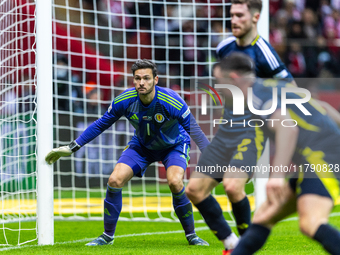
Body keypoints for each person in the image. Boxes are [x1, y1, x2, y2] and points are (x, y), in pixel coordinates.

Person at [45, 59, 210, 247]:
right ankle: (107, 236)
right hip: (141, 146)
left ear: (156, 80)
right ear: (133, 81)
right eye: (137, 78)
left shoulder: (171, 100)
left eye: (146, 78)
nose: (141, 83)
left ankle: (192, 236)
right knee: (114, 180)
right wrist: (72, 147)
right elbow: (101, 124)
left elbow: (195, 131)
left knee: (174, 181)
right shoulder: (124, 100)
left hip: (174, 146)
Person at [186, 1, 294, 254]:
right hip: (226, 127)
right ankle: (232, 244)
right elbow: (217, 77)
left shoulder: (264, 53)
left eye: (239, 15)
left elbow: (291, 88)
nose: (233, 20)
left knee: (233, 186)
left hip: (252, 128)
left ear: (255, 17)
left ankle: (246, 247)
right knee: (194, 190)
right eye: (231, 15)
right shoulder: (224, 47)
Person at [218, 53, 340, 255]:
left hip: (325, 157)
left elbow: (288, 128)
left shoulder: (254, 95)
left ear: (233, 79)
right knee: (264, 216)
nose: (219, 89)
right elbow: (323, 108)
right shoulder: (275, 86)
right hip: (316, 159)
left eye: (220, 82)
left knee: (311, 222)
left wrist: (276, 177)